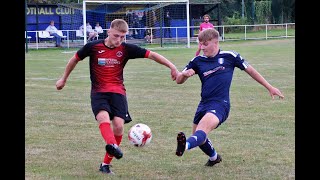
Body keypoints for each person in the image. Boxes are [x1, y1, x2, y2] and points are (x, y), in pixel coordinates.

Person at [55, 19, 179, 175]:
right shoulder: (93, 47)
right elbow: (74, 59)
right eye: (116, 36)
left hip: (118, 92)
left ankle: (105, 164)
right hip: (99, 92)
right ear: (108, 31)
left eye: (122, 37)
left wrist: (172, 67)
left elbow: (152, 55)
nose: (119, 40)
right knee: (103, 119)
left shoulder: (126, 49)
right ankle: (113, 145)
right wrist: (63, 79)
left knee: (119, 126)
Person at [175, 28, 284, 167]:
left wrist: (269, 87)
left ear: (215, 42)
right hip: (203, 104)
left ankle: (184, 146)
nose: (201, 47)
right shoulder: (197, 61)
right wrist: (184, 75)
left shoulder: (230, 56)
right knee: (199, 137)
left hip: (221, 104)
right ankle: (214, 158)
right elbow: (178, 80)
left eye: (205, 44)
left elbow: (250, 70)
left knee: (200, 132)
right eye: (200, 44)